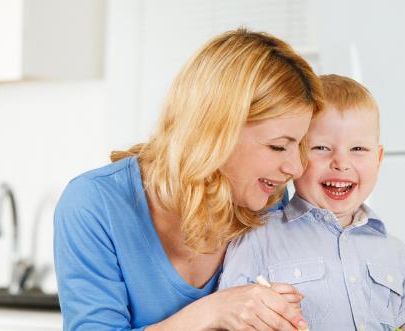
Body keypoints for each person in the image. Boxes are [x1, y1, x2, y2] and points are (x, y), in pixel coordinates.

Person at [53, 28, 324, 331]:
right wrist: (210, 312)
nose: (296, 168)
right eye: (277, 146)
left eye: (298, 145)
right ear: (216, 130)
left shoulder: (268, 199)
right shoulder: (95, 204)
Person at [218, 74, 405, 330]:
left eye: (358, 149)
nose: (341, 164)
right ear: (296, 155)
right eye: (321, 148)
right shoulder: (255, 239)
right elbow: (228, 319)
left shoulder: (397, 254)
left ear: (378, 158)